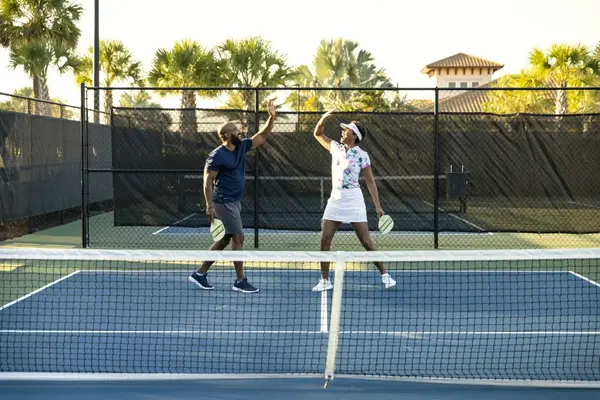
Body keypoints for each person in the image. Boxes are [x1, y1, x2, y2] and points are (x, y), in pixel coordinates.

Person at [188, 100, 276, 294]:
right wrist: (209, 206)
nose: (239, 131)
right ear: (227, 135)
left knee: (224, 239)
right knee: (238, 237)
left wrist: (271, 118)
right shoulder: (217, 155)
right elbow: (207, 181)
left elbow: (261, 137)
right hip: (223, 202)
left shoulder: (242, 146)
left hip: (234, 201)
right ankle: (240, 280)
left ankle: (200, 274)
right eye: (235, 130)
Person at [311, 111, 396, 292]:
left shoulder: (362, 155)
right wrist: (323, 119)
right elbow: (317, 134)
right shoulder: (335, 147)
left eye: (347, 130)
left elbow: (370, 181)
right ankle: (325, 280)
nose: (343, 132)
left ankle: (385, 275)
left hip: (354, 200)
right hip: (335, 199)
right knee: (324, 239)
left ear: (355, 136)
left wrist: (378, 206)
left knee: (366, 241)